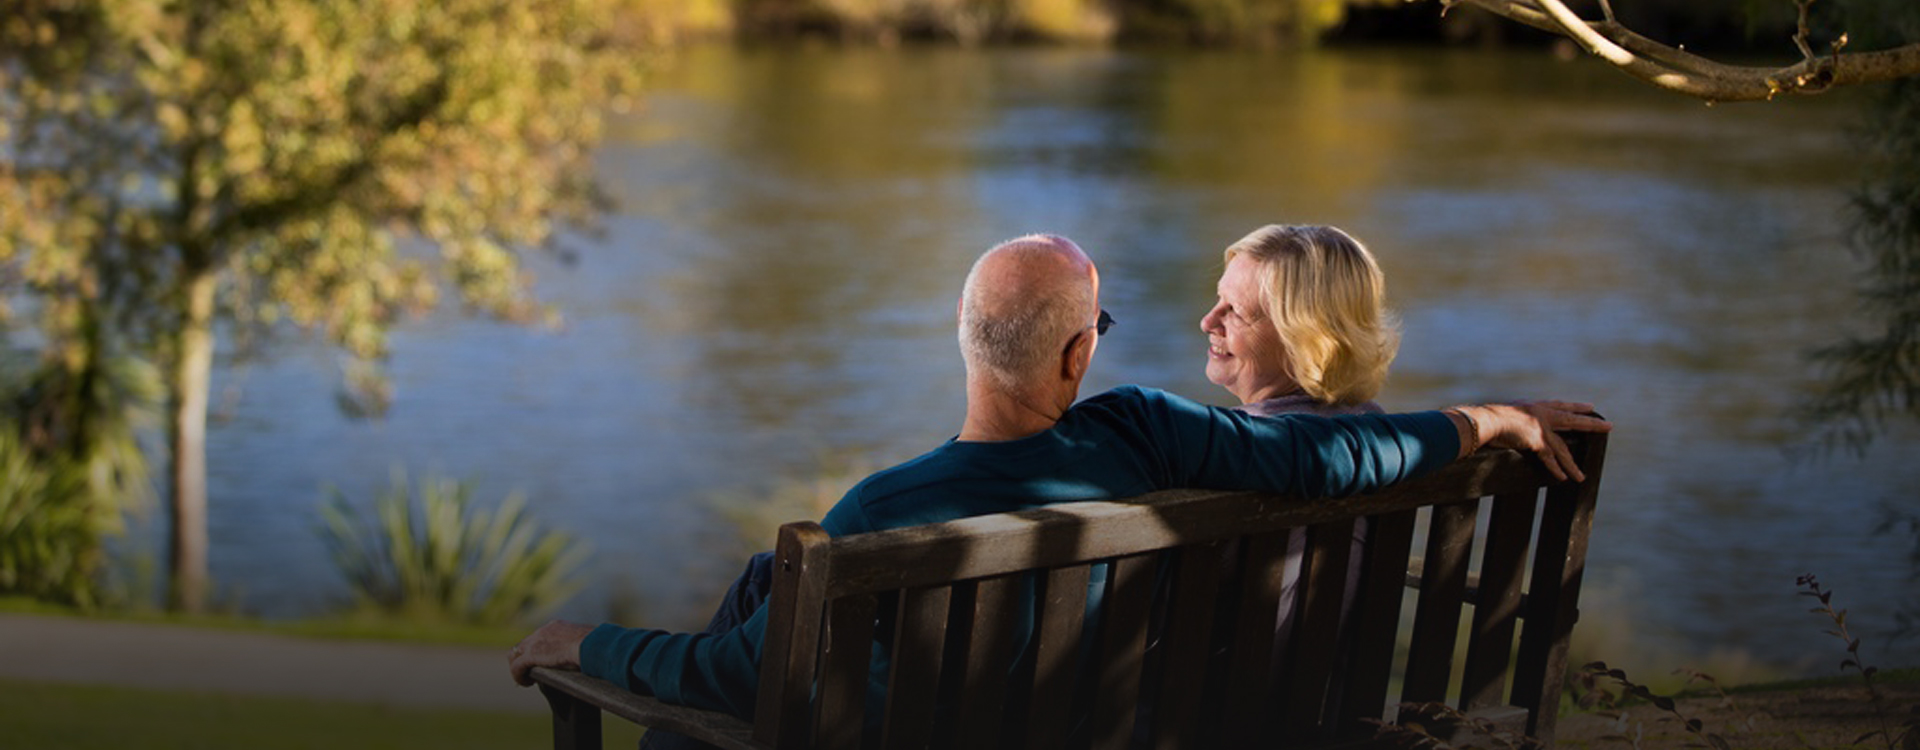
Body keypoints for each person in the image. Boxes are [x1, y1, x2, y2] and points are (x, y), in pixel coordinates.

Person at [507, 233, 1608, 737]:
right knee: (763, 584)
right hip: (1082, 710)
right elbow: (1327, 454)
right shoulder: (1146, 434)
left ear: (965, 343)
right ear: (1079, 357)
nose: (1209, 324)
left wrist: (587, 647)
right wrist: (1481, 420)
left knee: (747, 618)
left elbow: (735, 681)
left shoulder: (879, 512)